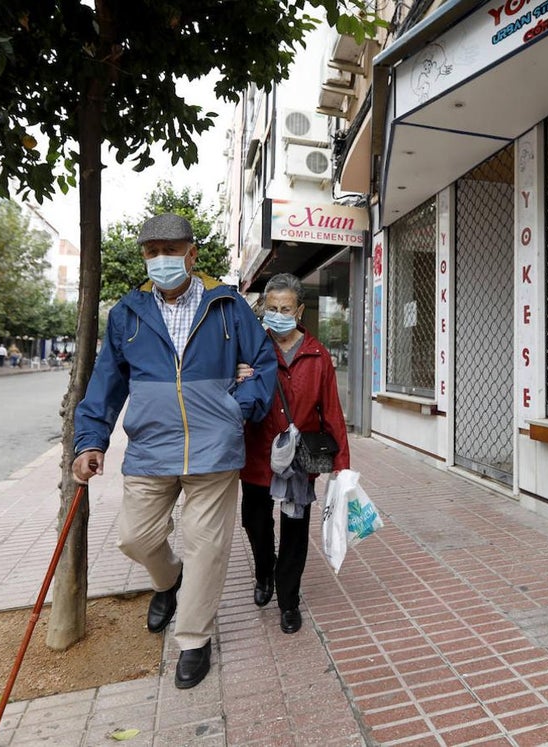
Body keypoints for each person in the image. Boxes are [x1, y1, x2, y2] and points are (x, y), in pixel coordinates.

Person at [72, 213, 276, 689]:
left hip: (214, 450)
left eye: (170, 249)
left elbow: (264, 363)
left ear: (192, 253)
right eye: (151, 251)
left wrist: (237, 408)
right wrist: (91, 439)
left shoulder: (228, 306)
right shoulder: (127, 313)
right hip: (151, 449)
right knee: (135, 539)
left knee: (207, 547)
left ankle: (194, 639)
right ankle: (167, 581)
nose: (161, 259)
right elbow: (106, 382)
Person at [237, 273, 350, 635]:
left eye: (286, 308)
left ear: (299, 310)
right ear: (263, 310)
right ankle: (263, 572)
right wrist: (238, 377)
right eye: (272, 309)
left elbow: (332, 411)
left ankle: (288, 600)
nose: (279, 315)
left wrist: (342, 466)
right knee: (254, 522)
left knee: (295, 532)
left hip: (299, 461)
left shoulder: (318, 356)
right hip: (257, 454)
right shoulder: (251, 349)